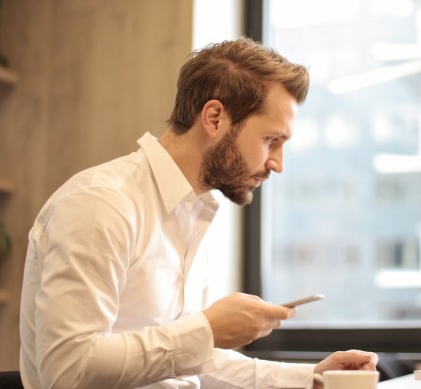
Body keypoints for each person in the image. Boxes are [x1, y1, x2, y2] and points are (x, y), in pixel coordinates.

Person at [19, 37, 378, 389]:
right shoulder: (102, 204)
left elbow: (187, 362)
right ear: (215, 117)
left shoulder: (191, 215)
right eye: (272, 140)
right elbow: (67, 371)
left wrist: (310, 378)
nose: (277, 164)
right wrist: (206, 329)